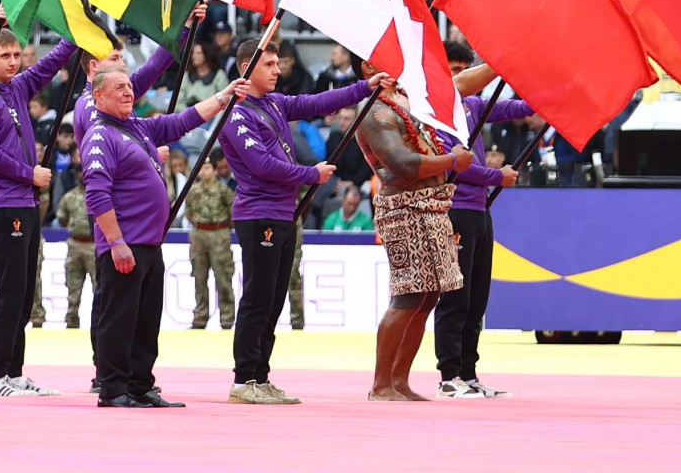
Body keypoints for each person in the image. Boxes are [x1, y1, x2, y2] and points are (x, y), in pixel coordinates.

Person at [218, 42, 378, 404]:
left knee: (274, 299)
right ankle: (244, 379)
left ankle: (260, 375)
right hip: (259, 214)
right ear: (246, 67)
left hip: (282, 212)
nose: (277, 70)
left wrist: (363, 87)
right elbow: (261, 165)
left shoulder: (274, 103)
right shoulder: (237, 113)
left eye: (278, 63)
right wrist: (311, 173)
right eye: (269, 64)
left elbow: (316, 103)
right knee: (258, 297)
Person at [84, 65, 238, 408]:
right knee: (119, 319)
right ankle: (112, 389)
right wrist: (116, 243)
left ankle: (139, 385)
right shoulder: (100, 135)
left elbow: (179, 122)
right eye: (119, 87)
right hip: (126, 244)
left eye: (129, 85)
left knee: (145, 320)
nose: (128, 91)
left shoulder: (135, 127)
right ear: (98, 96)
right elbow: (96, 195)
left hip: (149, 243)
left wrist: (222, 97)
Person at [0, 27, 76, 396]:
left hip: (25, 200)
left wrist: (74, 36)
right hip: (3, 202)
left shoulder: (15, 87)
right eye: (5, 56)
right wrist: (28, 173)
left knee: (24, 290)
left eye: (17, 55)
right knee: (10, 290)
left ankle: (14, 372)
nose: (14, 62)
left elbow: (48, 66)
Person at [357, 79, 474, 402]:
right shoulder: (374, 110)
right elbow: (402, 164)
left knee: (427, 296)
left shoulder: (407, 100)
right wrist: (451, 161)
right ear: (370, 67)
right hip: (403, 207)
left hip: (432, 205)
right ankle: (381, 384)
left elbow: (457, 85)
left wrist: (497, 67)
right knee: (409, 294)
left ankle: (399, 380)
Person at [435, 65, 532, 399]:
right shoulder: (433, 109)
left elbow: (517, 109)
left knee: (476, 298)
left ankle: (468, 372)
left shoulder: (473, 104)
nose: (466, 78)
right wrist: (496, 176)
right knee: (456, 296)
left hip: (480, 210)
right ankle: (448, 375)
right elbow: (454, 164)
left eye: (466, 69)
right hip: (455, 208)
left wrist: (549, 97)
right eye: (458, 71)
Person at [184, 154, 237, 331]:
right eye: (201, 168)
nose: (204, 171)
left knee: (223, 277)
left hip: (219, 234)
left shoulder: (223, 190)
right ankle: (200, 317)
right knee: (199, 277)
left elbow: (233, 213)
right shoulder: (193, 190)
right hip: (199, 234)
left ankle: (227, 318)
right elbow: (189, 213)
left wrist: (223, 228)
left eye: (208, 167)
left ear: (214, 170)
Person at [54, 181, 93, 327]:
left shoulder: (100, 193)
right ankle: (72, 319)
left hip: (94, 244)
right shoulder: (69, 196)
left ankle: (99, 319)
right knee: (72, 283)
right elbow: (62, 218)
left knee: (100, 285)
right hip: (75, 243)